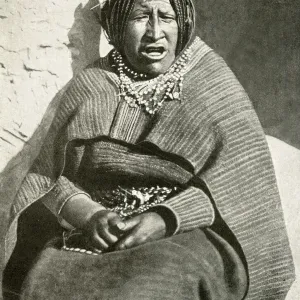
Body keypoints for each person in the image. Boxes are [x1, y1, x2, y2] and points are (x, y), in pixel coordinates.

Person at [4, 0, 294, 299]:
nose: (155, 32)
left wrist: (165, 218)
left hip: (187, 233)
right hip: (101, 232)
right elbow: (47, 177)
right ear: (116, 24)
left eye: (166, 17)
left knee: (154, 283)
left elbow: (241, 183)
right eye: (141, 16)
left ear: (181, 23)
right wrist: (89, 215)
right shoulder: (91, 83)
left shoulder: (212, 82)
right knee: (51, 279)